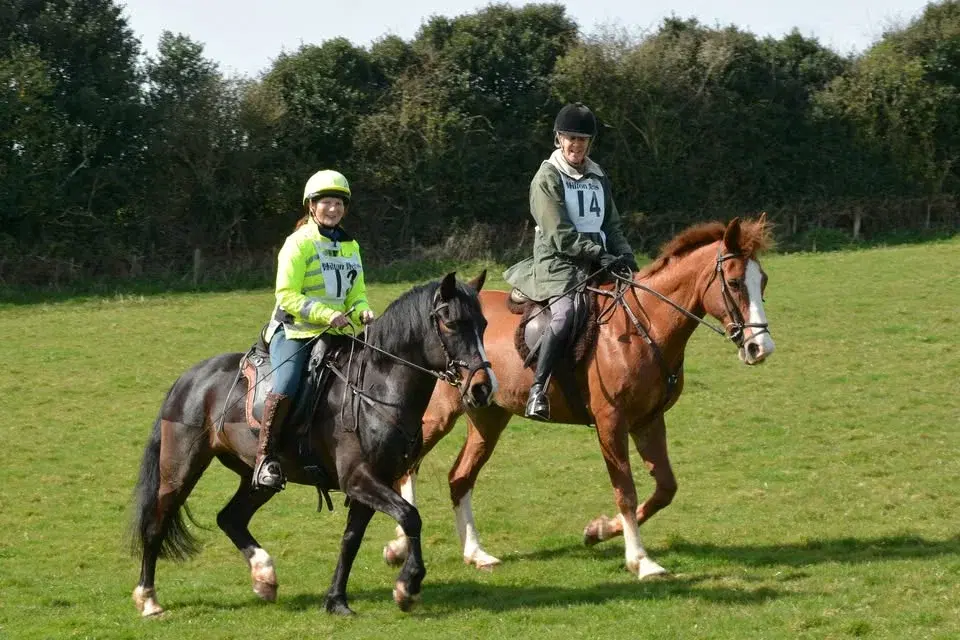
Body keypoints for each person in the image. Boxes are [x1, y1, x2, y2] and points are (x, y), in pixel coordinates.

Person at [503, 102, 639, 421]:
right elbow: (560, 236)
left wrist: (627, 258)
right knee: (565, 315)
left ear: (590, 143)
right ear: (558, 139)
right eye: (570, 138)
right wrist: (599, 254)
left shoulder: (597, 176)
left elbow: (612, 226)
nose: (576, 145)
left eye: (582, 140)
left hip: (597, 262)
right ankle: (539, 391)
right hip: (559, 265)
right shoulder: (546, 178)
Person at [253, 169, 376, 491]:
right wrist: (326, 315)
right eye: (326, 203)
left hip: (335, 333)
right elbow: (287, 295)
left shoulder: (351, 246)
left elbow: (356, 291)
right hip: (294, 332)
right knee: (288, 383)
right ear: (311, 206)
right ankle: (266, 457)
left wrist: (363, 310)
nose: (333, 209)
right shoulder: (298, 243)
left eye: (338, 203)